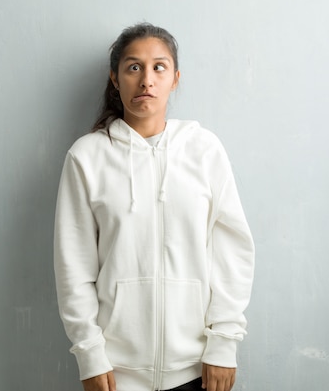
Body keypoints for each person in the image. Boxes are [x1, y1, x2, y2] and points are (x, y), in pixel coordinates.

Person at [54, 23, 255, 391]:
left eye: (158, 67)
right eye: (133, 67)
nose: (146, 79)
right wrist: (90, 355)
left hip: (199, 369)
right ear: (115, 79)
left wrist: (224, 344)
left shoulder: (204, 150)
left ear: (175, 78)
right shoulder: (87, 157)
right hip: (115, 373)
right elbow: (73, 267)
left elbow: (231, 252)